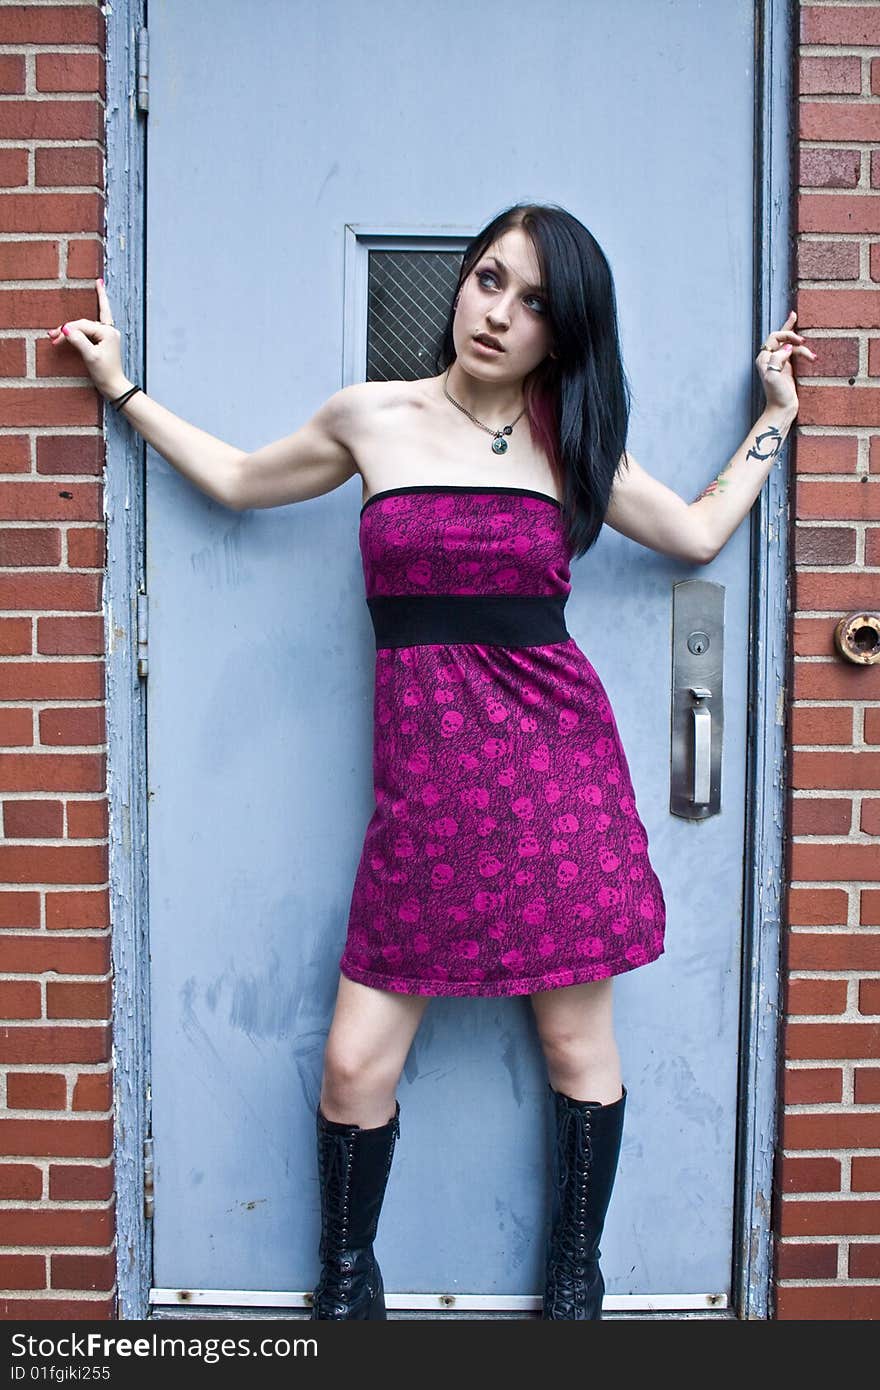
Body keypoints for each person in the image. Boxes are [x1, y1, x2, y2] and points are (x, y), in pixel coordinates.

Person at [48, 201, 813, 1321]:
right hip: (426, 803)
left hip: (559, 781)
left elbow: (696, 534)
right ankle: (348, 1292)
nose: (499, 313)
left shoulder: (571, 442)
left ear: (564, 333)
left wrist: (773, 419)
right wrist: (123, 391)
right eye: (489, 280)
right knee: (355, 1064)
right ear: (460, 283)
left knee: (571, 1040)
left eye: (535, 302)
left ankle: (572, 1284)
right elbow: (241, 480)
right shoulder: (373, 419)